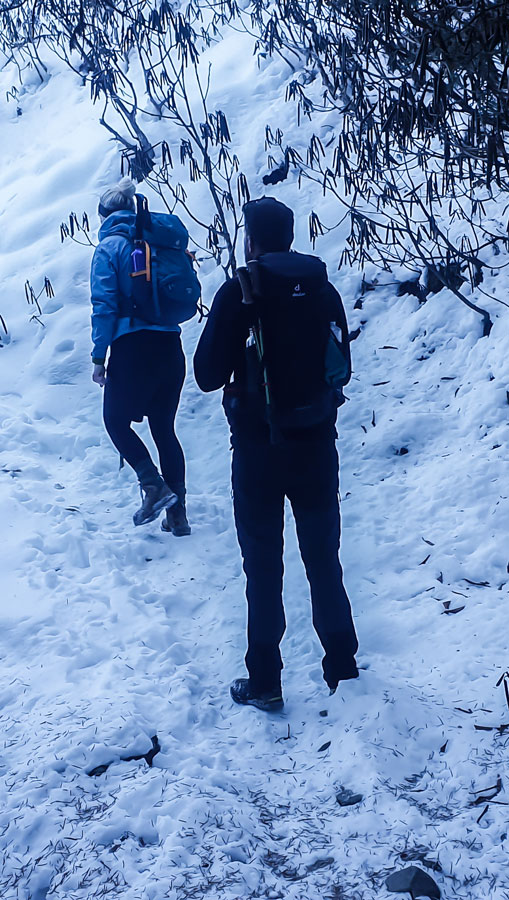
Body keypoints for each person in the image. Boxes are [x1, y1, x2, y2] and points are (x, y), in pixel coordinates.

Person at [194, 197, 359, 711]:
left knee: (263, 565)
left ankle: (265, 680)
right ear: (289, 237)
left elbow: (204, 375)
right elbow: (342, 368)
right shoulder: (322, 290)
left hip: (256, 448)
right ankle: (344, 673)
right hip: (316, 443)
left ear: (252, 240)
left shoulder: (240, 292)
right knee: (323, 560)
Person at [90, 176, 190, 535]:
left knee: (116, 421)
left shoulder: (109, 248)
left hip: (133, 349)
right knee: (164, 428)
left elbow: (104, 306)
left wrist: (99, 357)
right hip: (170, 347)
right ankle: (177, 516)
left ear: (103, 217)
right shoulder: (157, 242)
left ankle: (153, 486)